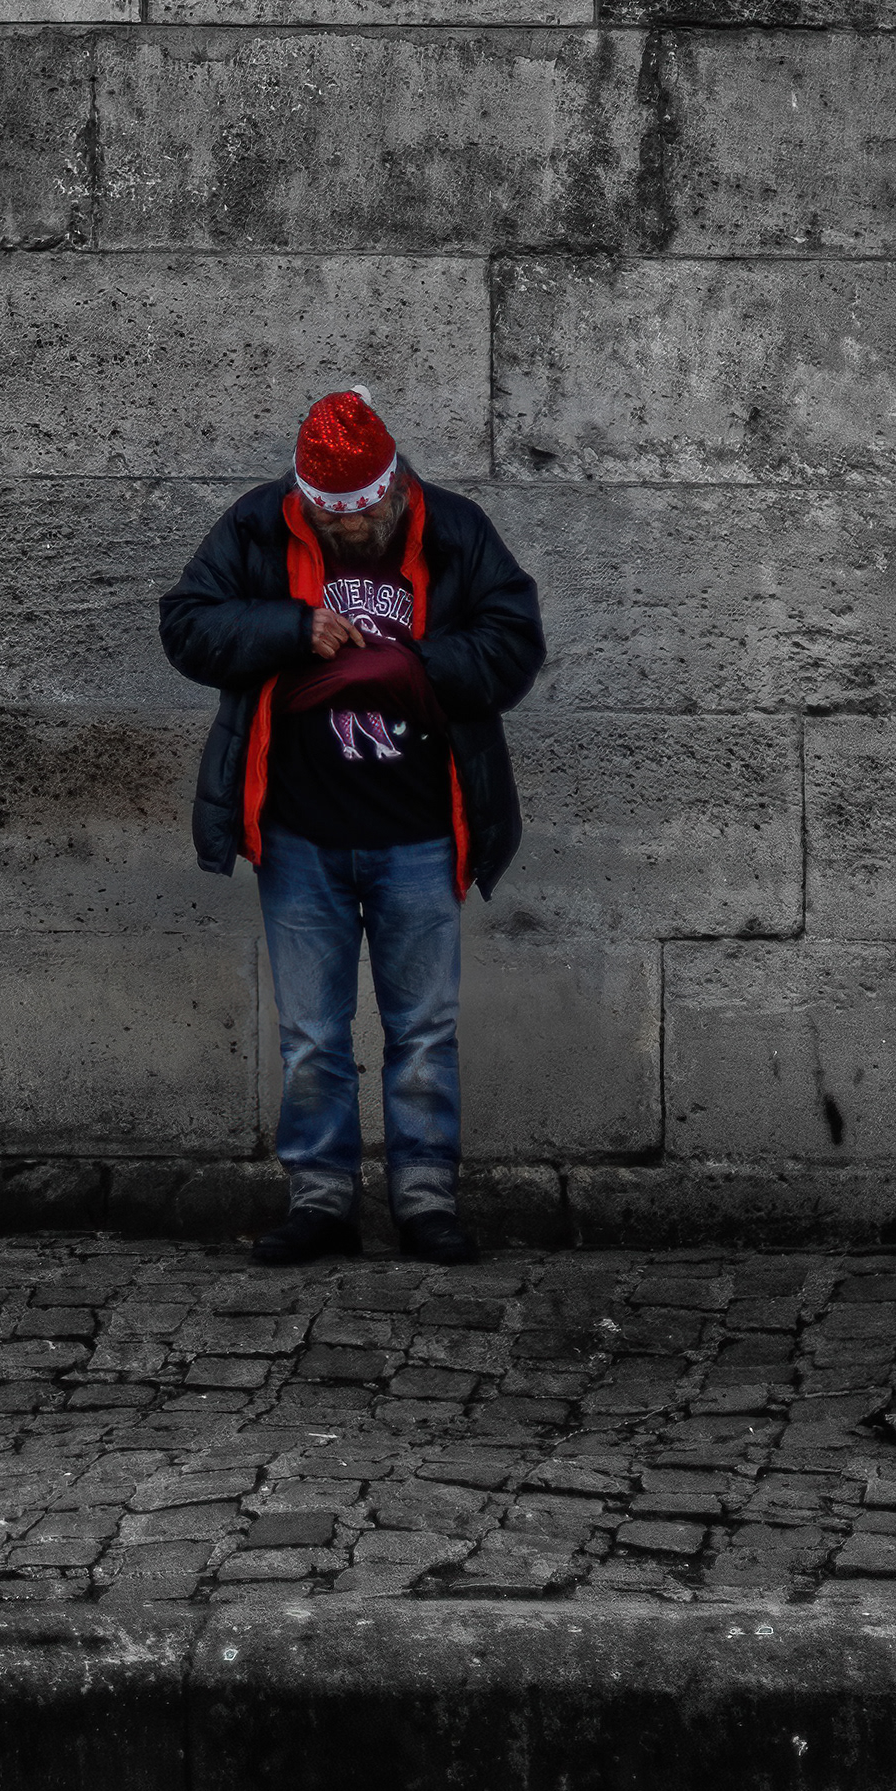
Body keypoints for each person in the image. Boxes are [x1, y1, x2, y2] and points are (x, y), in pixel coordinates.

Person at [158, 386, 545, 1267]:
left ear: (394, 483)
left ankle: (424, 1199)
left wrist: (415, 670)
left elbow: (516, 639)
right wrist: (291, 627)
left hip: (420, 831)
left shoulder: (453, 528)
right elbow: (185, 627)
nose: (357, 527)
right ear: (308, 503)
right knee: (311, 1035)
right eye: (338, 516)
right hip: (300, 833)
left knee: (423, 1030)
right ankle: (322, 1199)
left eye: (370, 508)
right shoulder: (260, 525)